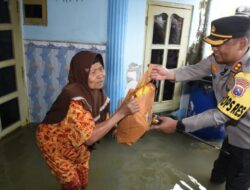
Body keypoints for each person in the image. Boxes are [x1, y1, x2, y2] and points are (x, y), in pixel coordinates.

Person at [150, 15, 250, 190]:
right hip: (231, 132)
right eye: (212, 44)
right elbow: (197, 69)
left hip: (247, 142)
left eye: (220, 45)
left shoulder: (248, 75)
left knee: (237, 183)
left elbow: (221, 114)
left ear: (242, 43)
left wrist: (178, 125)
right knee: (219, 172)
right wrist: (169, 73)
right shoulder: (219, 57)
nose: (214, 49)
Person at [36, 51, 139, 190]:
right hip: (54, 145)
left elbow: (101, 121)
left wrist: (116, 129)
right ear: (82, 74)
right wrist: (121, 112)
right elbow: (90, 137)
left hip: (78, 144)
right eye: (93, 72)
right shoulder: (74, 100)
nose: (100, 75)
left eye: (101, 69)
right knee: (73, 185)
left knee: (83, 182)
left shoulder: (99, 94)